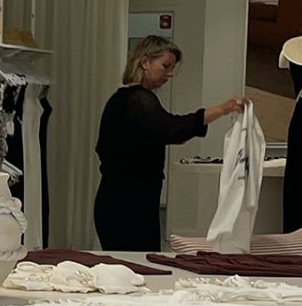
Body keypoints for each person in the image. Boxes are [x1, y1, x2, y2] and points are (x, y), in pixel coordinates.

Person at [94, 36, 244, 251]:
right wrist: (221, 110)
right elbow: (172, 128)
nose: (170, 73)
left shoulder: (121, 98)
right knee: (138, 262)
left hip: (122, 199)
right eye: (166, 66)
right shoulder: (139, 99)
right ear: (145, 62)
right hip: (128, 203)